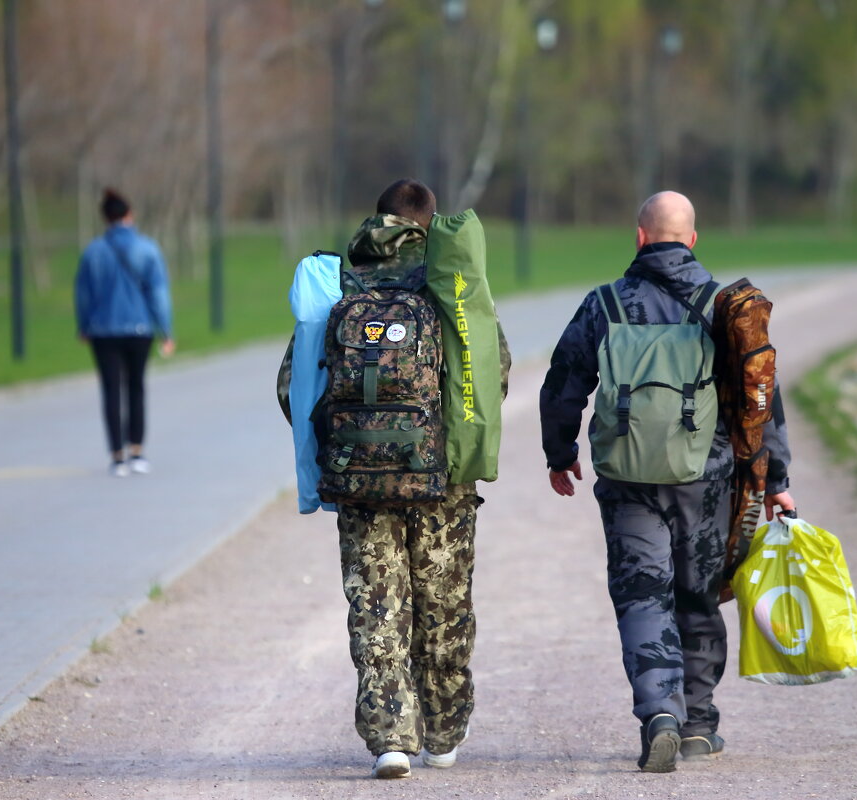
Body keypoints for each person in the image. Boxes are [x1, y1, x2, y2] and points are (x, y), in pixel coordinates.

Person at [538, 191, 796, 772]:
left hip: (627, 475)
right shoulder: (725, 307)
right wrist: (776, 477)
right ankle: (700, 723)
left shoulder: (603, 303)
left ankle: (660, 713)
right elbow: (762, 400)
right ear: (693, 241)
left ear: (639, 238)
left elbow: (563, 384)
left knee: (641, 594)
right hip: (705, 477)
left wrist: (561, 452)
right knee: (697, 593)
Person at [277, 178, 510, 779]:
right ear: (429, 225)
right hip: (442, 482)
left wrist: (352, 438)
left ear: (375, 220)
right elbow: (493, 373)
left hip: (360, 478)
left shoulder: (339, 283)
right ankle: (443, 732)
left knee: (376, 605)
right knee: (444, 604)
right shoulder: (447, 281)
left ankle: (390, 740)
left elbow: (294, 384)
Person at [74, 188, 174, 477]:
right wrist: (165, 330)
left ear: (105, 218)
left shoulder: (93, 251)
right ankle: (137, 451)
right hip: (139, 329)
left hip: (103, 331)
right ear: (129, 215)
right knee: (136, 387)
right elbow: (158, 293)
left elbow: (83, 294)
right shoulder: (147, 248)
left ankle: (117, 456)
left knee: (110, 389)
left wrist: (84, 325)